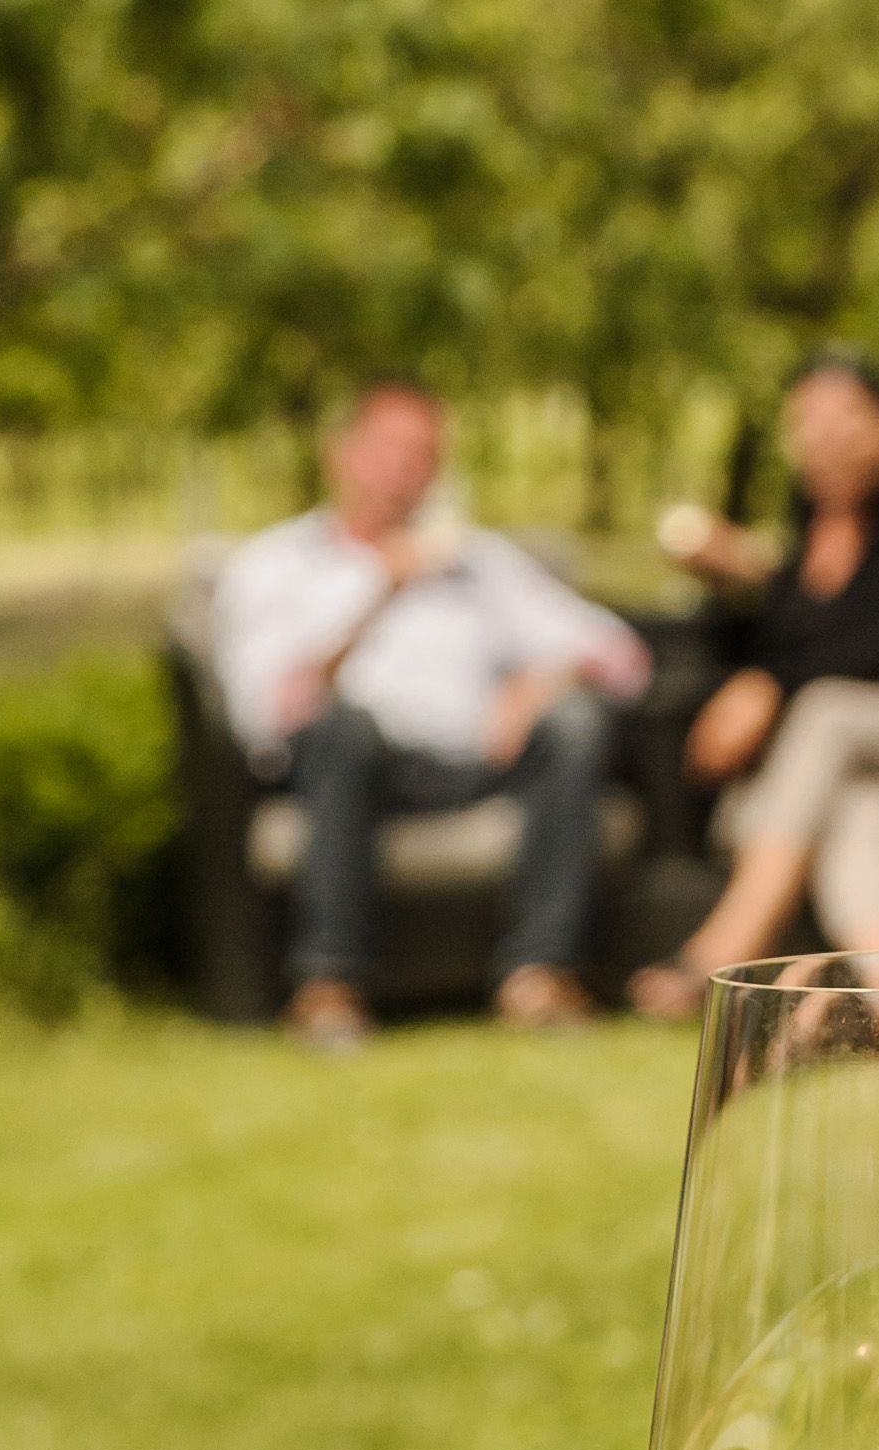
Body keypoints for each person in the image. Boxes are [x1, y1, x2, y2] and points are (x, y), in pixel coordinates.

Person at [213, 381, 652, 1047]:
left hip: (478, 760)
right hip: (356, 769)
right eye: (392, 451)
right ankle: (329, 987)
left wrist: (539, 682)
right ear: (341, 454)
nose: (407, 471)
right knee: (338, 728)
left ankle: (538, 975)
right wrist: (379, 592)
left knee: (572, 724)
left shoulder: (474, 561)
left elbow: (621, 656)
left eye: (424, 456)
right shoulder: (275, 566)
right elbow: (272, 714)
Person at [633, 355, 879, 1017]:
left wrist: (770, 690)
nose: (826, 437)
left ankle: (722, 952)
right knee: (859, 809)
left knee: (828, 709)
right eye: (807, 422)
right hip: (861, 763)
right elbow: (770, 645)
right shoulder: (803, 548)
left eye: (844, 415)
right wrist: (730, 583)